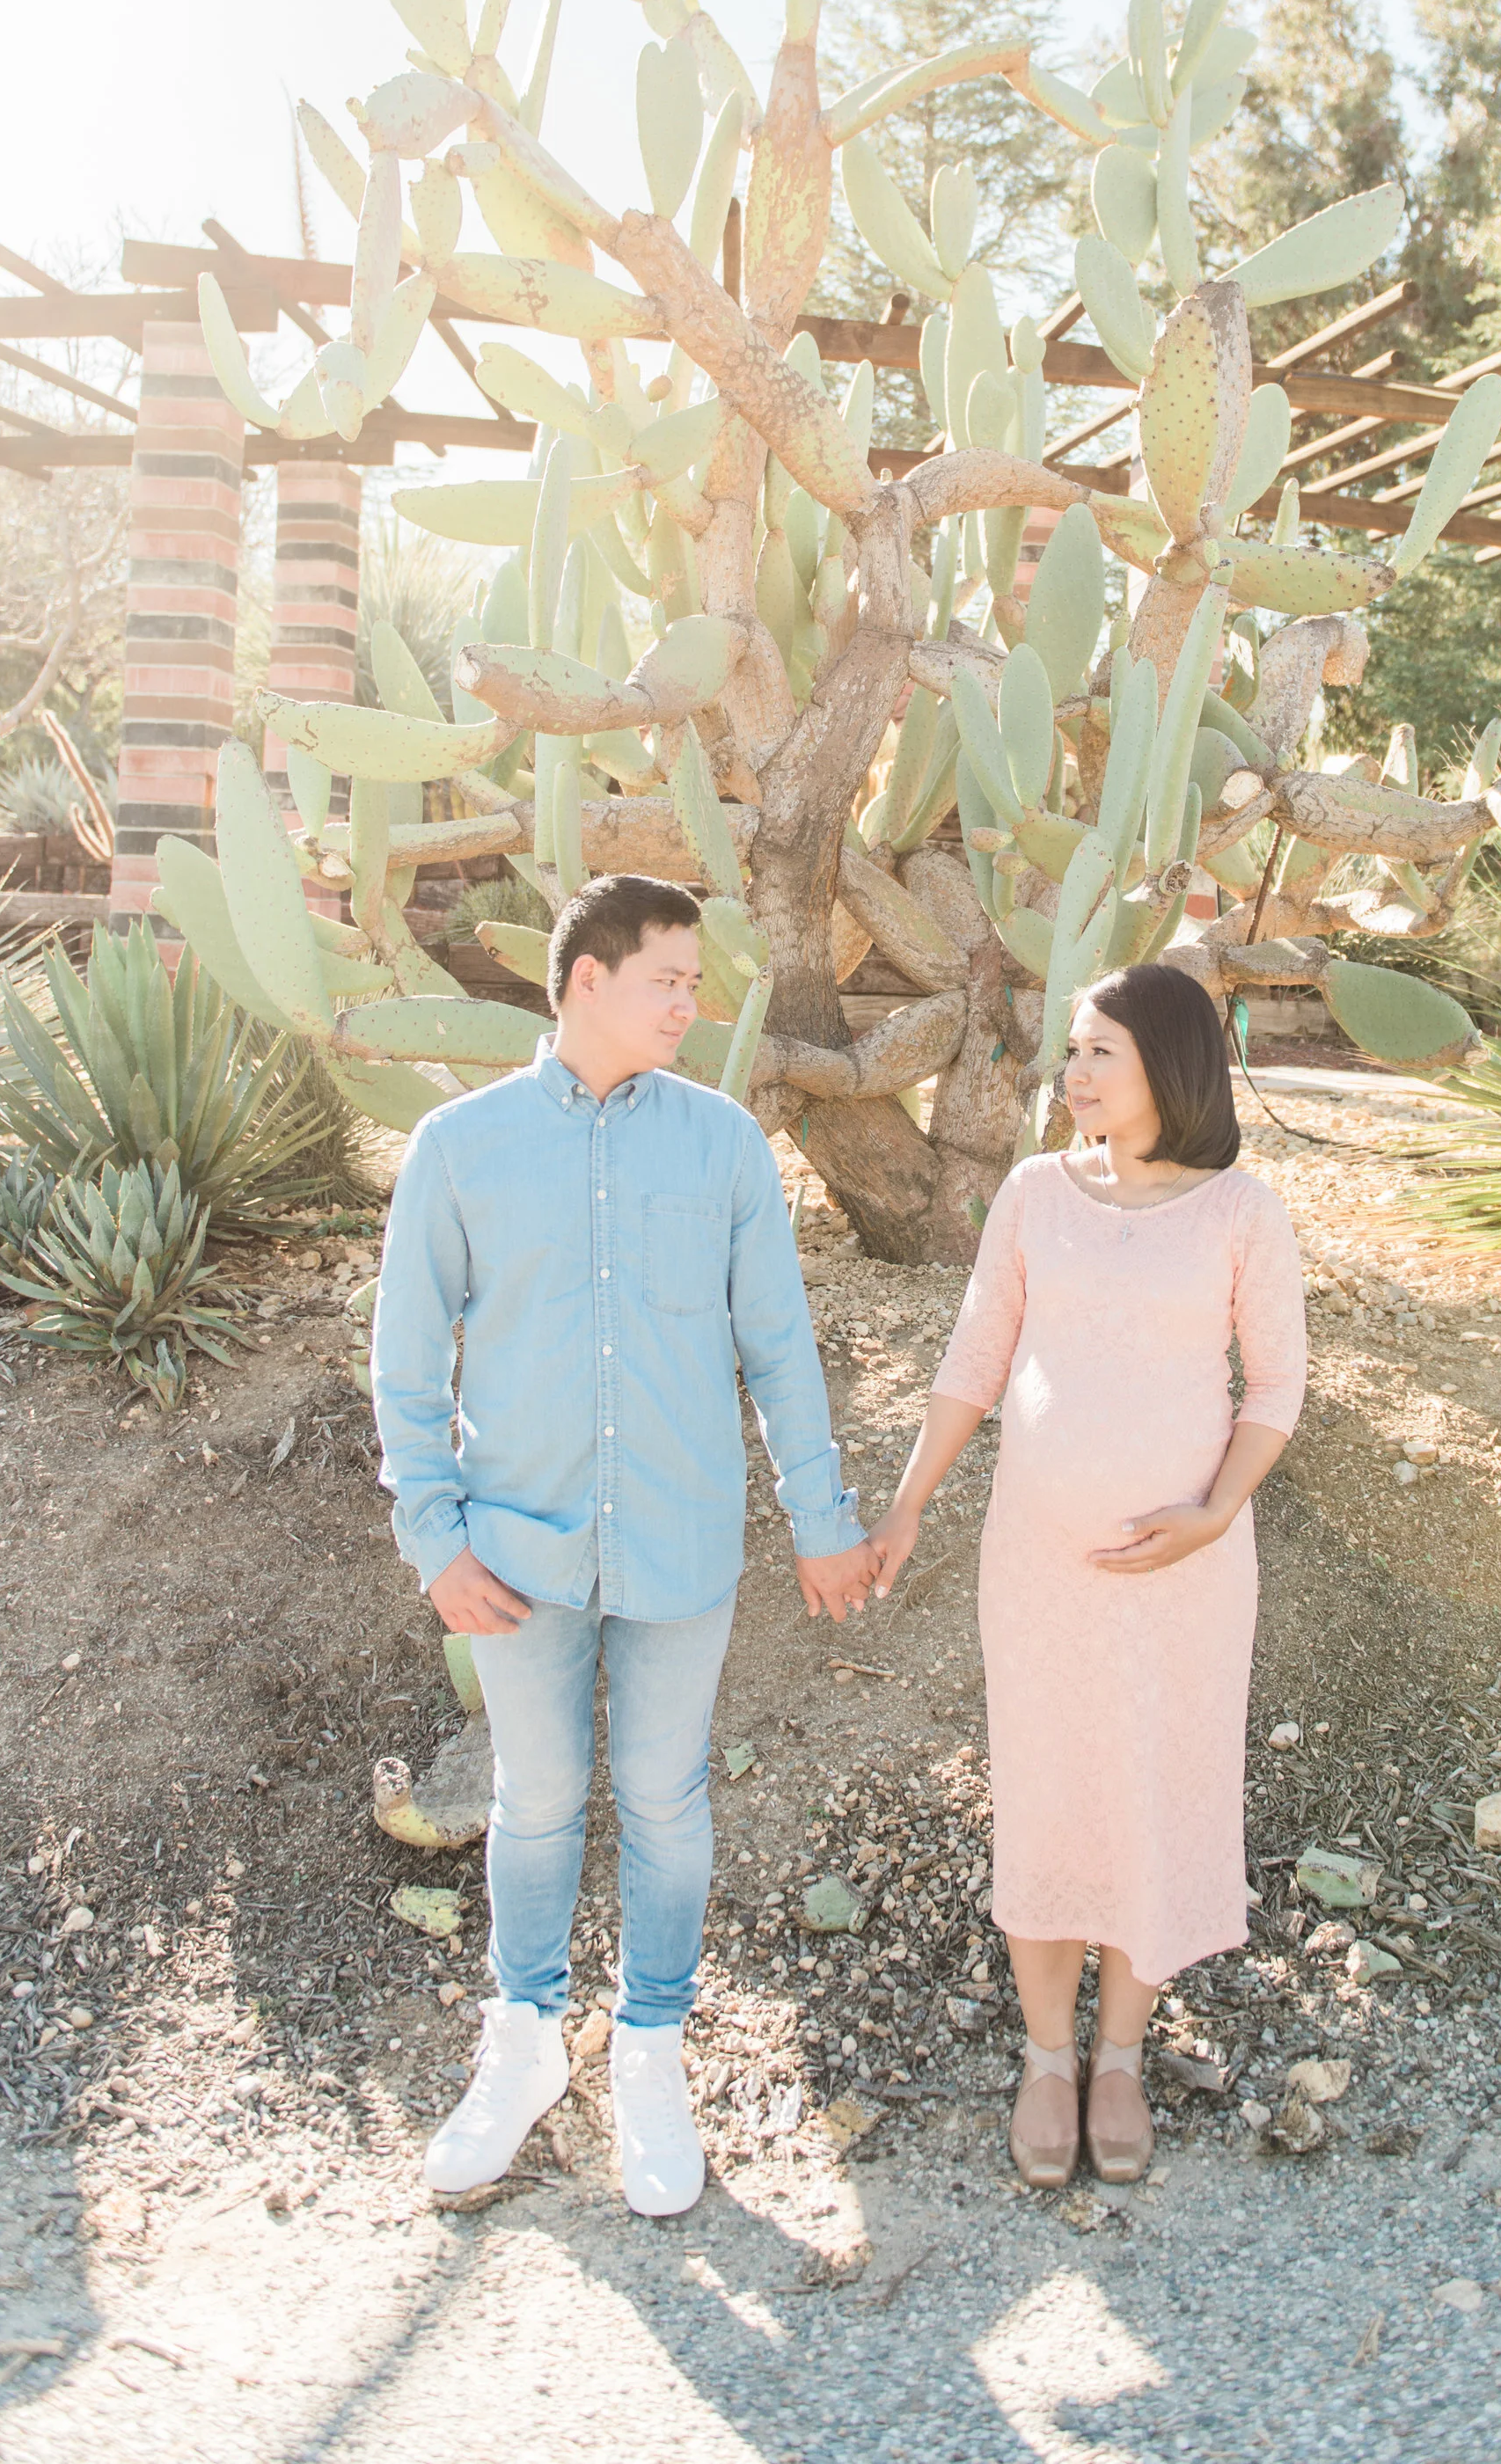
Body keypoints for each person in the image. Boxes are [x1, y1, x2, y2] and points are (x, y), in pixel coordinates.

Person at [370, 871, 875, 2211]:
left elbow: (780, 1349)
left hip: (680, 1543)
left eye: (696, 983)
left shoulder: (724, 1146)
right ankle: (524, 2043)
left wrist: (821, 1520)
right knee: (534, 1801)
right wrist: (434, 1541)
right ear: (586, 980)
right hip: (516, 1554)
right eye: (668, 980)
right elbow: (406, 1367)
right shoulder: (460, 1148)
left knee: (664, 1801)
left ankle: (652, 2048)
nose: (689, 1004)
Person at [866, 961, 1307, 2190]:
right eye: (1072, 1050)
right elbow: (976, 1356)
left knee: (1154, 1794)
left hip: (1185, 1579)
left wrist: (1215, 1514)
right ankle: (1047, 2056)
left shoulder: (1242, 1213)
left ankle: (1121, 2057)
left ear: (1168, 1062)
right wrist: (907, 1503)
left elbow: (1276, 1387)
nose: (1074, 1073)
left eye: (1098, 1050)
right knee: (1050, 1792)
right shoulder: (1032, 1195)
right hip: (1040, 1567)